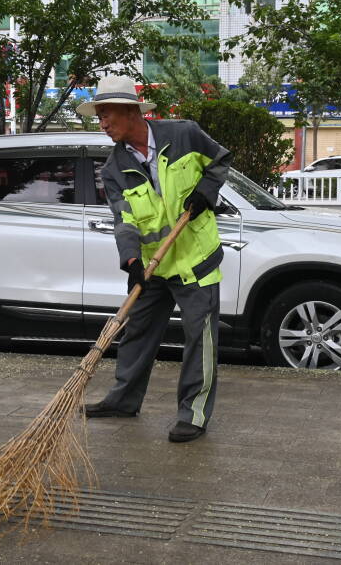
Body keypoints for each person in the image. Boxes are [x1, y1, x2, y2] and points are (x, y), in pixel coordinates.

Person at [76, 75, 232, 443]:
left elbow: (220, 160)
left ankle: (192, 414)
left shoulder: (183, 135)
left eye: (106, 115)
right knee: (138, 331)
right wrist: (131, 263)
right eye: (98, 117)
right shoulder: (113, 170)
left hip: (195, 259)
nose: (102, 124)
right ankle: (124, 399)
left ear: (131, 111)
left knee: (200, 338)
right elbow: (124, 221)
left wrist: (206, 191)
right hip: (153, 265)